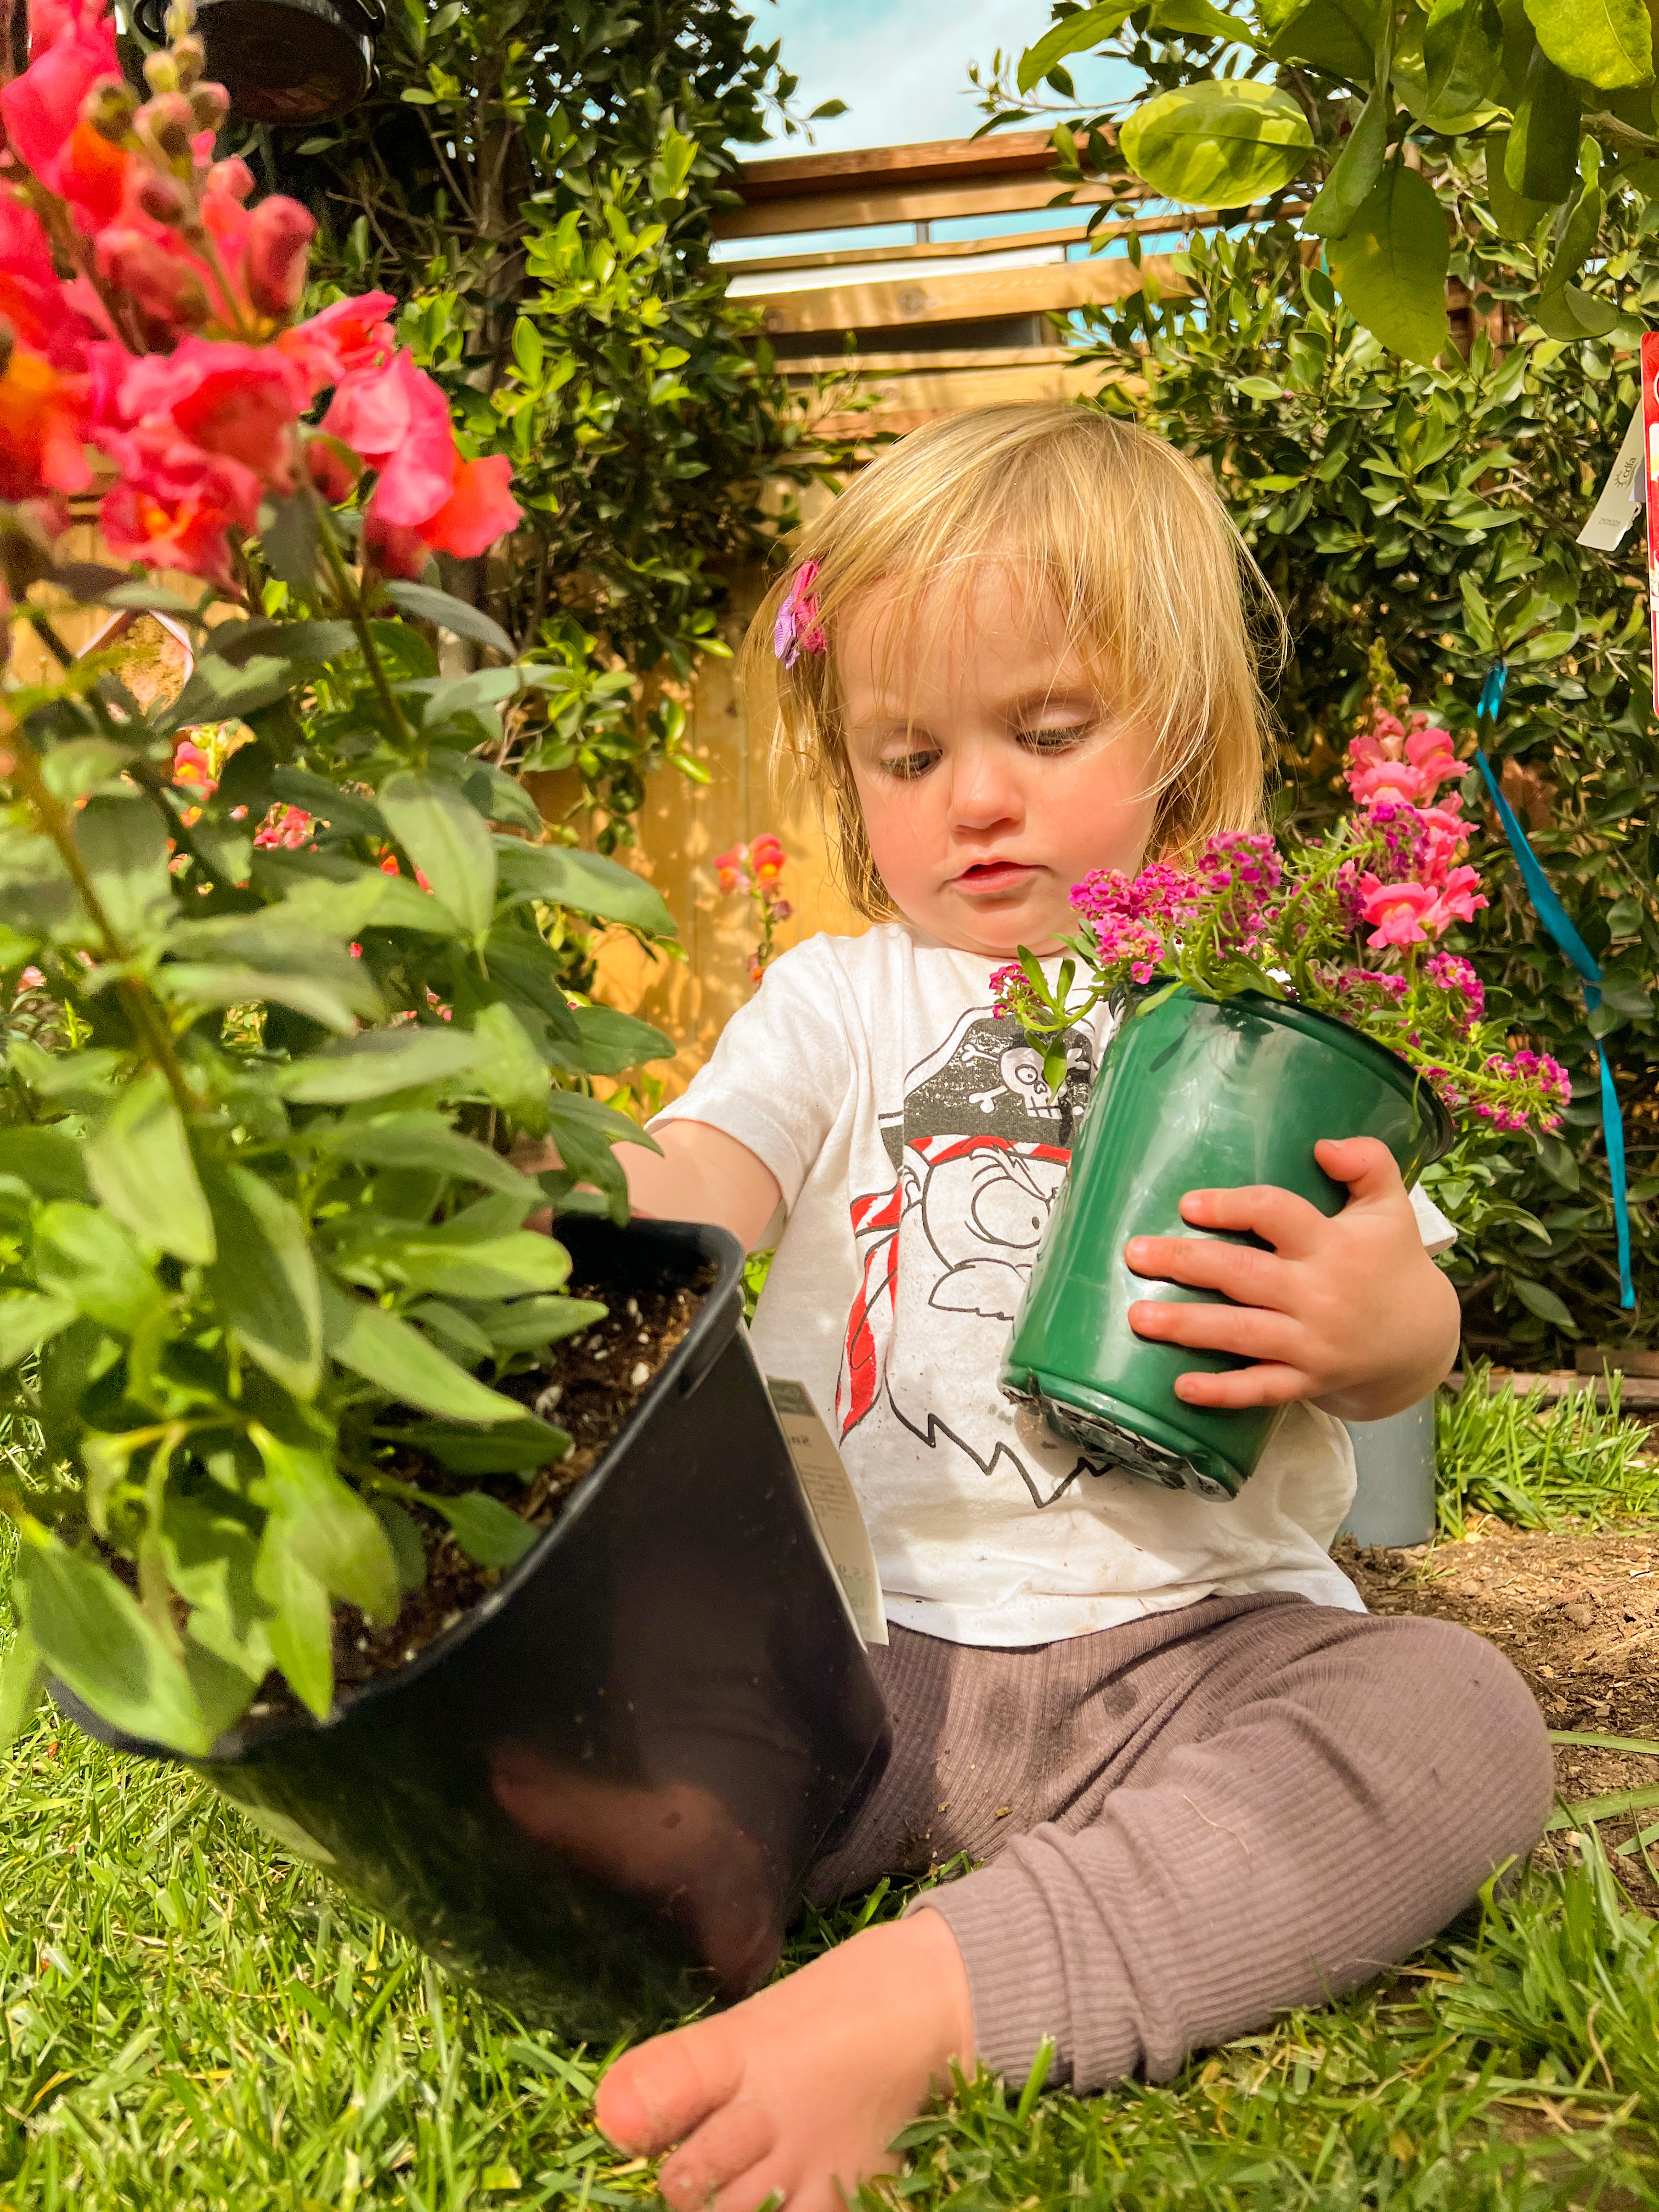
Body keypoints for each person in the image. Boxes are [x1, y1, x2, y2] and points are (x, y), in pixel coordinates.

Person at [551, 407, 1554, 2209]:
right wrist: (575, 1208)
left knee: (1459, 1717)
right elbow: (706, 1171)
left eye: (1046, 730)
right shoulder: (840, 998)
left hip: (1196, 1650)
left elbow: (1413, 1330)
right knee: (579, 1767)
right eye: (906, 751)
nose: (975, 798)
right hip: (858, 1661)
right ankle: (715, 1875)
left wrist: (1372, 1319)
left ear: (1178, 730)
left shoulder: (1258, 1002)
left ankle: (926, 2003)